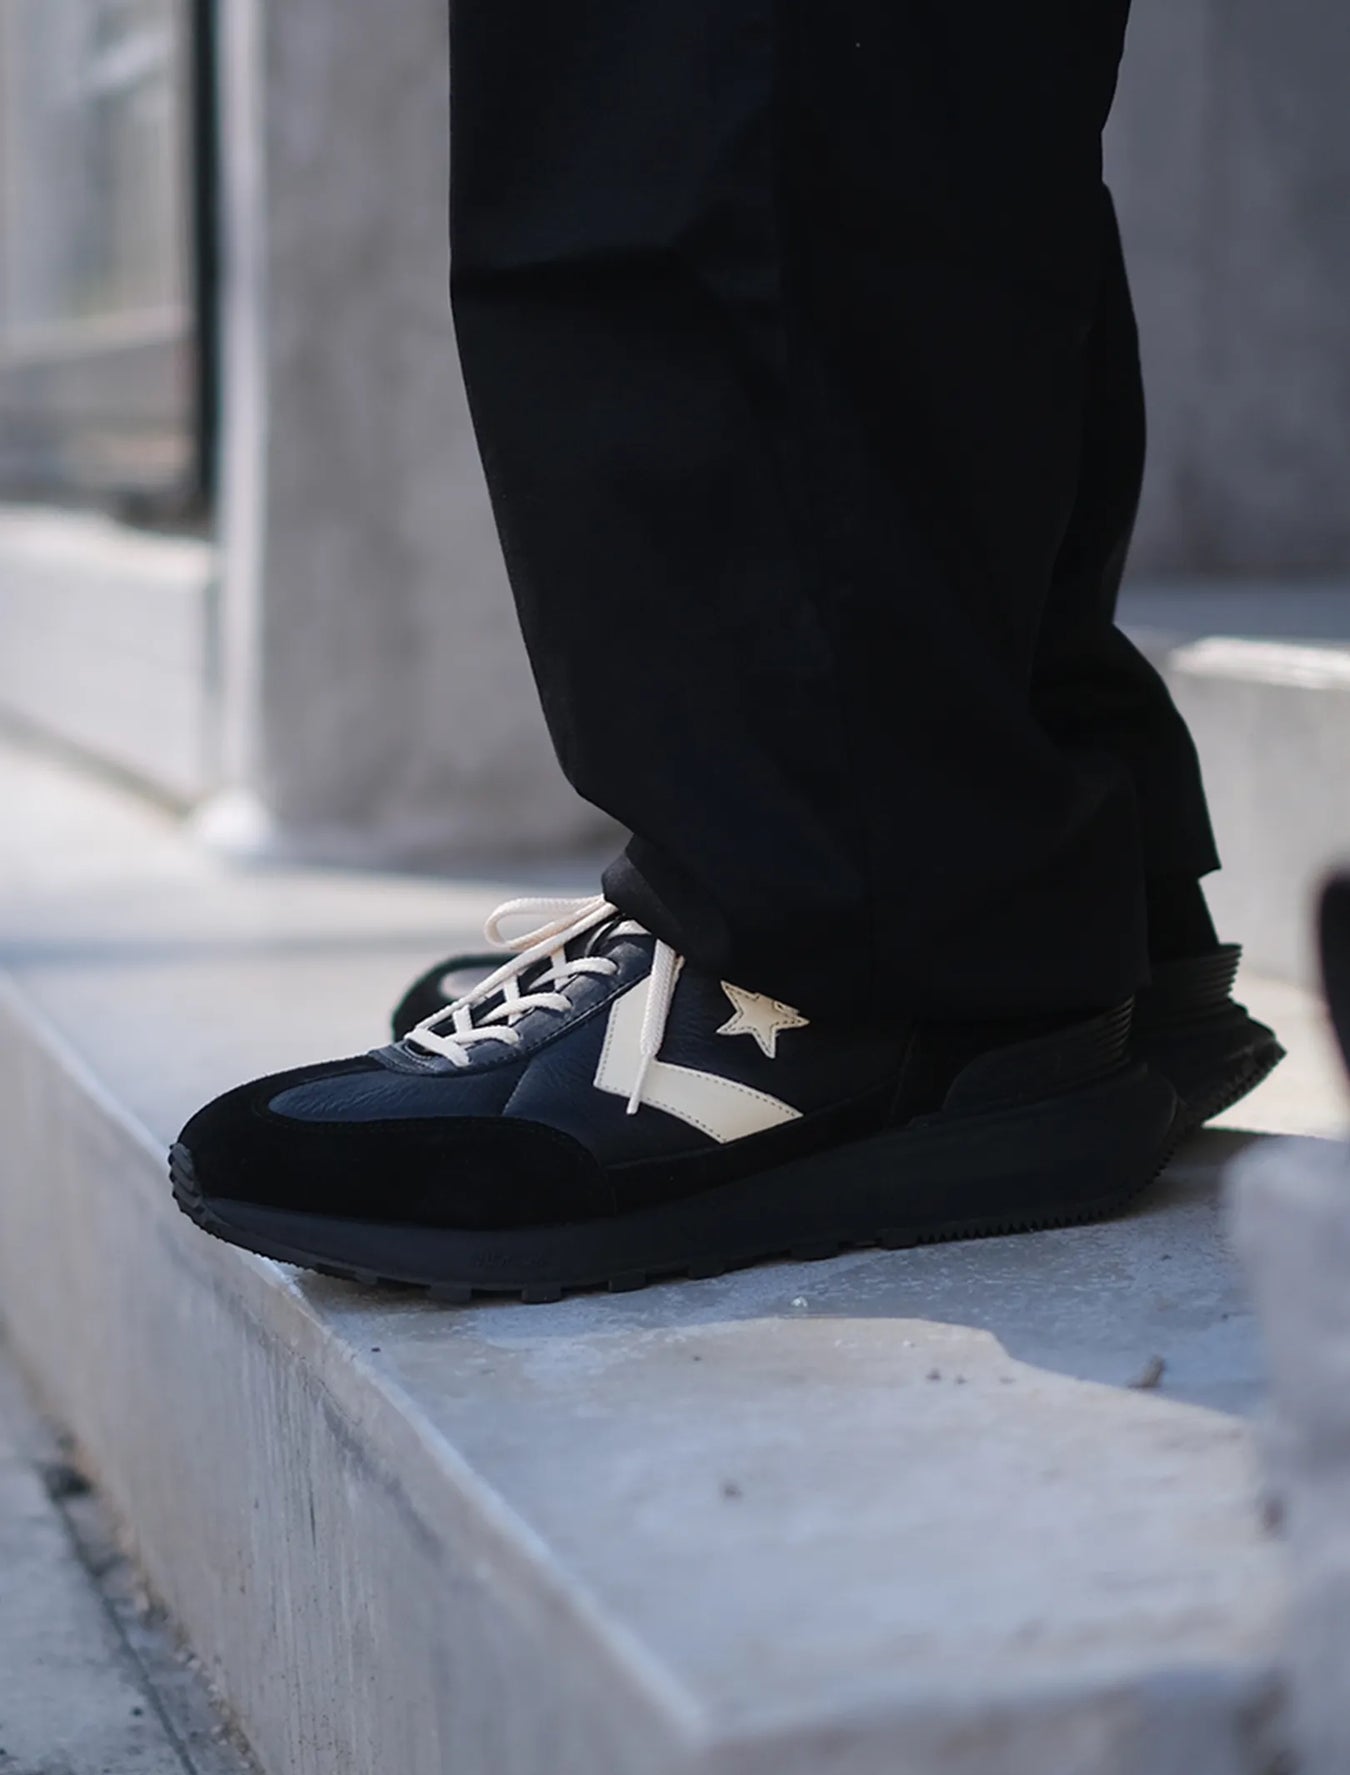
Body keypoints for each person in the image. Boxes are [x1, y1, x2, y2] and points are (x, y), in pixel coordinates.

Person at [170, 1, 1283, 1301]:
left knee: (683, 62)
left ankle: (841, 962)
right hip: (981, 869)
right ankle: (1025, 902)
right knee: (918, 74)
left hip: (877, 930)